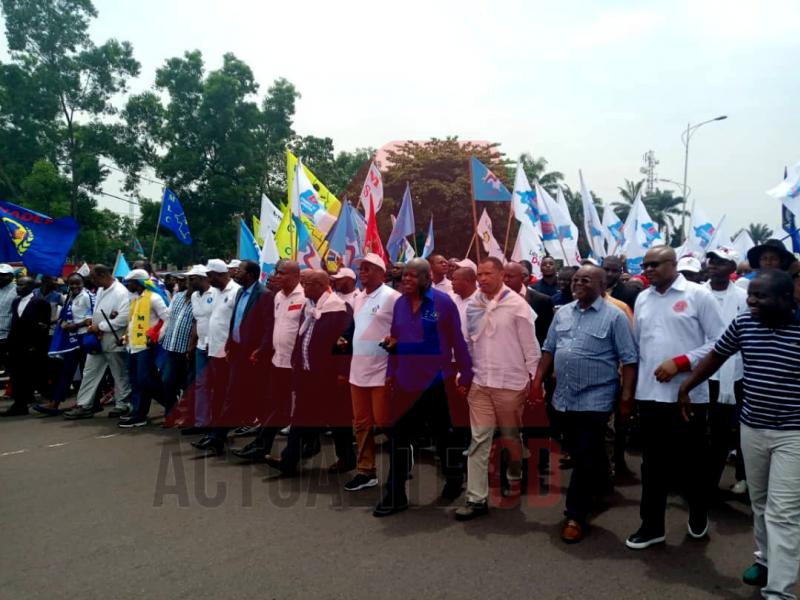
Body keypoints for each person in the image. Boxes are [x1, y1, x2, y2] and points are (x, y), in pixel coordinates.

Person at [677, 270, 800, 597]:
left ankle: (779, 592)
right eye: (751, 294)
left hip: (794, 433)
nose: (752, 300)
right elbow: (717, 354)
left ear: (788, 300)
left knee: (783, 512)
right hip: (752, 426)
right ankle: (766, 561)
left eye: (761, 296)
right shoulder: (744, 324)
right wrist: (687, 385)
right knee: (759, 502)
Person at [625, 246, 725, 550]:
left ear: (673, 264)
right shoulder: (643, 297)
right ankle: (652, 526)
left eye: (655, 264)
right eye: (645, 265)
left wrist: (681, 362)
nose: (649, 269)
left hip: (688, 396)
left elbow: (720, 342)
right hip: (650, 395)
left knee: (692, 463)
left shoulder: (698, 295)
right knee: (652, 465)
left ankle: (697, 513)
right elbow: (639, 346)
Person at [533, 265, 638, 542]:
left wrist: (627, 398)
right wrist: (536, 382)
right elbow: (548, 350)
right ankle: (602, 482)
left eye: (585, 280)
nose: (577, 283)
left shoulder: (615, 316)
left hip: (597, 396)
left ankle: (576, 515)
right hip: (563, 397)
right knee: (580, 449)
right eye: (575, 279)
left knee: (582, 453)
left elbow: (629, 359)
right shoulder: (563, 312)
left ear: (602, 285)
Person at [373, 258, 472, 517]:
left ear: (427, 278)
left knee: (442, 437)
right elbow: (395, 339)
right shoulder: (399, 304)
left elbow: (457, 341)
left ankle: (453, 477)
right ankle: (395, 495)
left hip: (437, 383)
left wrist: (466, 373)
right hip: (406, 382)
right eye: (404, 275)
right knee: (399, 439)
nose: (406, 280)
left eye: (412, 276)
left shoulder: (442, 303)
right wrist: (391, 371)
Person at [455, 257, 541, 521]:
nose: (482, 279)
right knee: (479, 440)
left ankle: (515, 475)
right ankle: (476, 498)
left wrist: (535, 385)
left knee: (510, 438)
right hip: (481, 383)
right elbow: (468, 343)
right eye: (479, 274)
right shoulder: (473, 306)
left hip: (510, 384)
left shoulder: (518, 306)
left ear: (502, 275)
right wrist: (464, 373)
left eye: (488, 274)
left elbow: (531, 349)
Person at [264, 270, 355, 475]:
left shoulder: (339, 308)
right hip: (307, 372)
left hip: (328, 374)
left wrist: (342, 371)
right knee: (302, 417)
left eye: (307, 284)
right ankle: (289, 461)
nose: (303, 288)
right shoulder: (310, 306)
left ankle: (347, 458)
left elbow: (345, 342)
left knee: (338, 419)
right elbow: (303, 335)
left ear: (320, 286)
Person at [199, 260, 274, 455]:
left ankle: (259, 444)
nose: (235, 273)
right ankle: (217, 439)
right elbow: (236, 321)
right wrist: (230, 342)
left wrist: (261, 350)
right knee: (231, 396)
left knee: (257, 400)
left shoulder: (264, 295)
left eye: (239, 270)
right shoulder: (241, 293)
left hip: (254, 357)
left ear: (249, 274)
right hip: (238, 353)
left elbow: (268, 327)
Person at [340, 254, 400, 491]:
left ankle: (404, 458)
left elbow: (402, 331)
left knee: (385, 422)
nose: (362, 273)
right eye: (360, 269)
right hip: (358, 371)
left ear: (381, 274)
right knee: (361, 424)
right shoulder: (357, 298)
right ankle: (366, 471)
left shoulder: (393, 298)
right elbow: (355, 328)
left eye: (368, 269)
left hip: (382, 370)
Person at [704, 247, 748, 497]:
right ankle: (698, 477)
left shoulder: (744, 296)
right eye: (711, 261)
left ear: (732, 269)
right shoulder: (697, 294)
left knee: (729, 429)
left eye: (721, 262)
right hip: (702, 373)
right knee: (701, 428)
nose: (713, 265)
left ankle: (730, 479)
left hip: (735, 375)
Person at [63, 265, 132, 420]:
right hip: (97, 339)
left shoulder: (121, 292)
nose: (92, 282)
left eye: (93, 278)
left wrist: (100, 327)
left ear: (102, 275)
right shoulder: (101, 290)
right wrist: (95, 327)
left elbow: (122, 318)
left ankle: (123, 404)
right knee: (89, 371)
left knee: (118, 373)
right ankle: (84, 405)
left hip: (113, 338)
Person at [191, 259, 240, 453]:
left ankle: (217, 436)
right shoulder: (218, 292)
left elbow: (237, 322)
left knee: (225, 395)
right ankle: (216, 435)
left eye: (210, 277)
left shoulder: (235, 291)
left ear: (220, 275)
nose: (208, 281)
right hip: (213, 350)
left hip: (228, 353)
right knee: (218, 394)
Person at [35, 273, 94, 415]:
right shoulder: (70, 297)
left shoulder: (87, 297)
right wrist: (58, 323)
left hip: (84, 338)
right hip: (71, 341)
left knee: (86, 372)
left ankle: (86, 404)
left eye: (77, 283)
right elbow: (63, 317)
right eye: (71, 283)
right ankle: (55, 403)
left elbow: (91, 318)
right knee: (67, 372)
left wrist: (75, 325)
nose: (74, 286)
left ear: (83, 283)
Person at [117, 269, 169, 428]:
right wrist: (125, 337)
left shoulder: (153, 298)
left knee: (145, 380)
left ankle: (172, 403)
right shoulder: (135, 299)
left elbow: (167, 319)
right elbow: (132, 322)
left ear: (138, 283)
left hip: (146, 347)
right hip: (133, 346)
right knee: (136, 382)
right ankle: (139, 413)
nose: (128, 285)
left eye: (130, 282)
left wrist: (156, 337)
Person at [0, 277, 50, 416]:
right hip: (16, 345)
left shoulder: (40, 303)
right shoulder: (16, 302)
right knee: (16, 375)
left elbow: (43, 327)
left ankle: (49, 399)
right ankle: (19, 405)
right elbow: (15, 325)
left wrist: (36, 345)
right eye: (18, 284)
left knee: (32, 376)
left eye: (22, 285)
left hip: (32, 346)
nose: (18, 287)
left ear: (30, 286)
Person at [160, 271, 195, 414]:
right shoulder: (178, 296)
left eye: (185, 280)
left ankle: (186, 413)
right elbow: (168, 318)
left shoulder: (200, 299)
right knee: (167, 380)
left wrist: (191, 346)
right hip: (171, 346)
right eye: (181, 280)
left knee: (187, 383)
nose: (182, 282)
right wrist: (161, 337)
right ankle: (171, 412)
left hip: (187, 349)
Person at [503, 262, 553, 347]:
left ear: (522, 278)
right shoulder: (495, 299)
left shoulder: (542, 300)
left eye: (510, 276)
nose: (506, 280)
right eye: (504, 276)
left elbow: (547, 335)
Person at [451, 266, 477, 342]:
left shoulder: (482, 302)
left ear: (467, 281)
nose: (452, 283)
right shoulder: (450, 297)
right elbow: (439, 314)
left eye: (454, 279)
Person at [0, 264, 16, 374]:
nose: (0, 277)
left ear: (10, 276)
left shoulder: (17, 290)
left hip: (8, 332)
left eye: (3, 275)